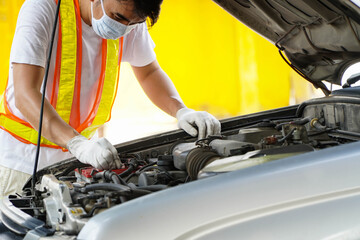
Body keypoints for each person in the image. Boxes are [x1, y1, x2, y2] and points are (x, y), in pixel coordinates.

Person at [0, 0, 221, 197]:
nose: (124, 28)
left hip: (80, 163)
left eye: (134, 23)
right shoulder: (43, 7)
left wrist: (181, 111)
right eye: (118, 18)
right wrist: (77, 143)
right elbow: (25, 93)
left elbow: (149, 72)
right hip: (21, 163)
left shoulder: (130, 14)